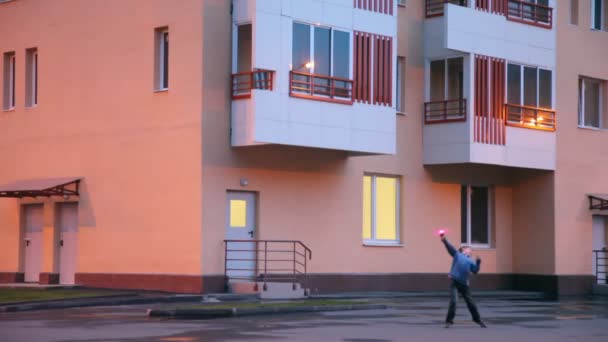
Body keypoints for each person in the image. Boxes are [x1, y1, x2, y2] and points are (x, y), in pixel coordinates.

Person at [439, 232, 486, 328]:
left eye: (471, 250)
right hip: (455, 283)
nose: (471, 251)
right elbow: (450, 248)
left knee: (471, 303)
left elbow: (475, 271)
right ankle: (449, 321)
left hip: (464, 285)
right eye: (469, 249)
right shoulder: (457, 255)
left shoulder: (471, 261)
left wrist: (478, 262)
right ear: (463, 250)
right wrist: (444, 240)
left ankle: (477, 319)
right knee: (454, 302)